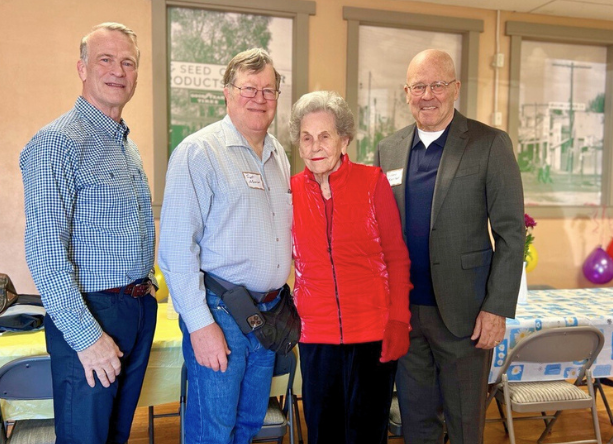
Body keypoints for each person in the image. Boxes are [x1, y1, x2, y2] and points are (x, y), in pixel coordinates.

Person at [375, 49, 525, 444]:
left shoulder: (489, 143)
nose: (428, 95)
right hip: (407, 315)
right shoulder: (388, 149)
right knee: (416, 423)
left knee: (464, 427)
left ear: (455, 88)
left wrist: (496, 308)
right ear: (406, 92)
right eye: (419, 86)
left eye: (438, 84)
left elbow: (511, 233)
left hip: (466, 317)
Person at [20, 22, 157, 444]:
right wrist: (86, 337)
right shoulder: (56, 143)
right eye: (106, 59)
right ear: (82, 68)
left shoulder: (125, 145)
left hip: (136, 308)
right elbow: (44, 253)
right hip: (93, 314)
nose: (118, 70)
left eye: (128, 62)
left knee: (115, 437)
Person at [158, 48, 292, 443]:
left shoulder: (278, 154)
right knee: (212, 430)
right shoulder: (198, 152)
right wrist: (200, 326)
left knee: (250, 424)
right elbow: (176, 250)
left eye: (268, 90)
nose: (259, 98)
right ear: (227, 93)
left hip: (267, 313)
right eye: (249, 88)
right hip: (220, 314)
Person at [289, 91, 412, 444]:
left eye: (324, 136)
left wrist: (399, 320)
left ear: (344, 140)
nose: (315, 146)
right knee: (323, 431)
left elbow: (396, 256)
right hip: (316, 334)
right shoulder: (291, 190)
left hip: (373, 333)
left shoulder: (372, 182)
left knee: (367, 433)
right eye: (306, 137)